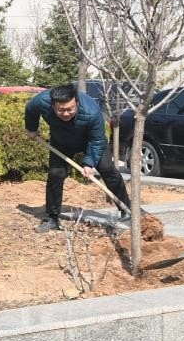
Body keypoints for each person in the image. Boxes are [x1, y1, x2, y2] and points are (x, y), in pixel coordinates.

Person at [24, 83, 131, 232]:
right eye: (61, 110)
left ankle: (127, 210)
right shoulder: (42, 101)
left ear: (77, 102)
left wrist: (88, 163)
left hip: (90, 141)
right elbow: (30, 108)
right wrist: (31, 128)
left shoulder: (91, 111)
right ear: (53, 105)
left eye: (70, 109)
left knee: (107, 169)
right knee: (55, 174)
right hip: (61, 141)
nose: (66, 113)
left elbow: (97, 141)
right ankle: (52, 218)